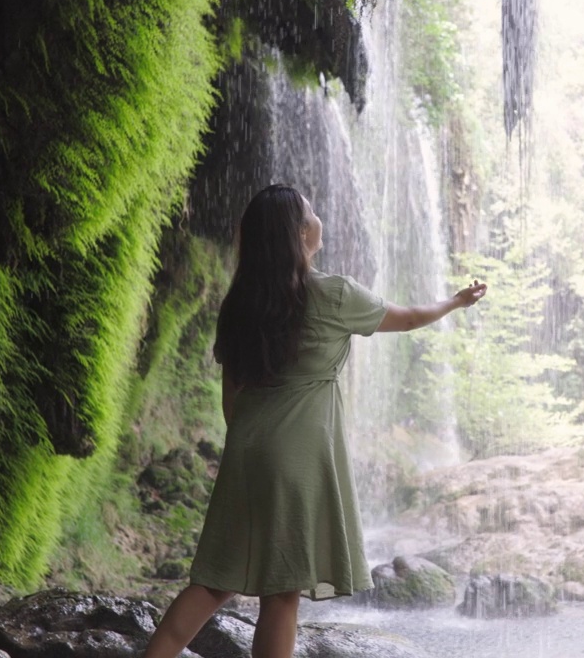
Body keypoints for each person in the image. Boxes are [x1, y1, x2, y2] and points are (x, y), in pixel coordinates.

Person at [142, 184, 487, 658]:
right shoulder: (333, 294)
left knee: (213, 581)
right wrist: (454, 302)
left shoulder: (239, 304)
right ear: (301, 232)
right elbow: (406, 319)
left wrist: (249, 443)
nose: (318, 218)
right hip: (297, 457)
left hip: (247, 451)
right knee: (282, 594)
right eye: (312, 211)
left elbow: (231, 401)